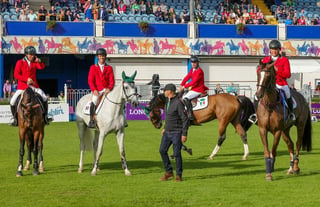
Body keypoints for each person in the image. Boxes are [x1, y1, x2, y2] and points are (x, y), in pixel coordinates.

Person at [249, 40, 295, 124]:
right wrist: (261, 70)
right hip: (267, 84)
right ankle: (255, 115)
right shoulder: (265, 59)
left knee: (287, 93)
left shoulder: (284, 60)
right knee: (256, 96)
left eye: (276, 49)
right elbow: (259, 71)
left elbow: (288, 74)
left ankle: (291, 113)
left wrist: (278, 71)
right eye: (272, 49)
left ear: (279, 50)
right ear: (270, 50)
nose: (274, 51)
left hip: (280, 83)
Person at [9, 46, 51, 126]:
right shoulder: (20, 62)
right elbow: (16, 75)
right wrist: (26, 79)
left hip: (33, 86)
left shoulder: (34, 62)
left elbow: (41, 67)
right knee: (12, 101)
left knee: (44, 97)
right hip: (22, 87)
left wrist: (39, 61)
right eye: (30, 54)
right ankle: (15, 119)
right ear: (26, 54)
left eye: (33, 54)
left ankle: (45, 117)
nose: (32, 56)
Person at [159, 83, 189, 182]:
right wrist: (164, 128)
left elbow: (185, 119)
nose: (164, 92)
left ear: (170, 91)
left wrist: (184, 134)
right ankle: (169, 172)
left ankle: (179, 175)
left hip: (177, 132)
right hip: (167, 132)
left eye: (165, 90)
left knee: (176, 154)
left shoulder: (178, 103)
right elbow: (168, 117)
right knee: (162, 150)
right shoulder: (168, 101)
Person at [87, 48, 115, 128]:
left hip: (107, 90)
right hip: (97, 90)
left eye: (103, 56)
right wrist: (94, 90)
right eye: (100, 56)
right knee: (94, 101)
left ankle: (122, 119)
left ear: (105, 57)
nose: (102, 57)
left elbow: (112, 81)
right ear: (97, 57)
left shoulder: (109, 68)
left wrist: (109, 88)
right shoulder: (93, 67)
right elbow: (90, 80)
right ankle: (91, 120)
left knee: (117, 100)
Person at [178, 55, 208, 121]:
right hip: (193, 89)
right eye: (192, 62)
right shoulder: (192, 69)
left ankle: (190, 115)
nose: (193, 64)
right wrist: (181, 84)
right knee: (183, 96)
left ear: (197, 63)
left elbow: (194, 82)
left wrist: (184, 87)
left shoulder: (199, 71)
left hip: (198, 90)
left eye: (195, 62)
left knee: (185, 98)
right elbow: (187, 77)